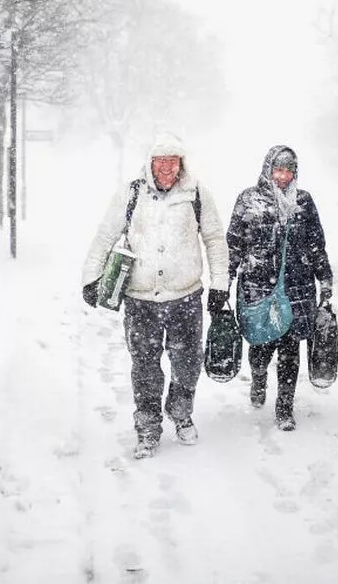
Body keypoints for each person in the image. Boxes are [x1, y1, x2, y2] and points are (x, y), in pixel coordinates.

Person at [82, 133, 230, 459]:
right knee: (145, 367)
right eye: (160, 160)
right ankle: (148, 428)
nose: (166, 167)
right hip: (140, 301)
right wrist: (91, 278)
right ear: (151, 163)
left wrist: (220, 283)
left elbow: (216, 240)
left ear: (181, 164)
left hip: (186, 298)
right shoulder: (132, 193)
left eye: (173, 161)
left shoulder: (197, 194)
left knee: (188, 364)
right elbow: (104, 235)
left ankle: (180, 411)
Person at [226, 145, 333, 431]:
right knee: (261, 345)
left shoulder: (304, 202)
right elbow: (234, 244)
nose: (283, 176)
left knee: (290, 349)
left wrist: (325, 279)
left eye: (289, 171)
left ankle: (284, 407)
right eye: (278, 170)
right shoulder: (248, 200)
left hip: (297, 287)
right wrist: (222, 283)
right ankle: (258, 376)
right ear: (267, 169)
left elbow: (316, 245)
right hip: (258, 288)